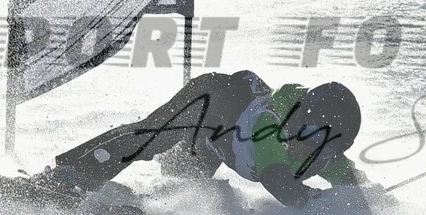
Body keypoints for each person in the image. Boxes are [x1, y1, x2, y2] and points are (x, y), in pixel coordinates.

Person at [32, 70, 371, 207]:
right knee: (152, 137)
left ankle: (136, 197)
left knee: (182, 182)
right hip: (209, 102)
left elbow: (352, 180)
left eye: (326, 145)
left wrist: (374, 201)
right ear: (299, 119)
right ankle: (67, 176)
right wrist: (317, 203)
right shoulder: (270, 127)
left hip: (219, 146)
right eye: (309, 134)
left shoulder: (323, 154)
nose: (312, 148)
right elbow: (280, 184)